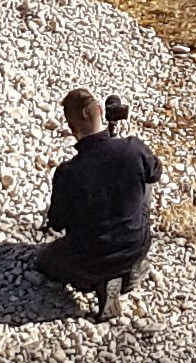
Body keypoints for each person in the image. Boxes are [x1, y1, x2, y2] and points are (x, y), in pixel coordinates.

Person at [34, 87, 160, 318]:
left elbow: (58, 222)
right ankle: (128, 270)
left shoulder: (68, 173)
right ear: (101, 111)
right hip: (135, 245)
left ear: (73, 130)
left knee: (44, 260)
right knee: (145, 174)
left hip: (89, 259)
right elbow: (155, 173)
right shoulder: (133, 148)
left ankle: (100, 282)